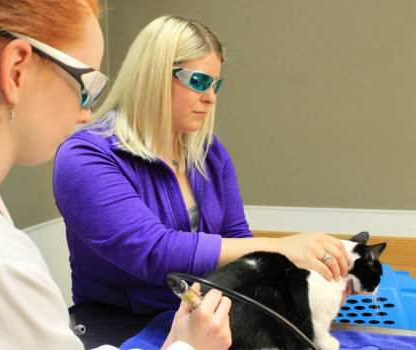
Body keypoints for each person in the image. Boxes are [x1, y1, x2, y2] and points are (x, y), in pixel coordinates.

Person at [0, 2, 231, 349]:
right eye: (86, 83)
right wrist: (187, 347)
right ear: (16, 71)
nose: (87, 112)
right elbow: (154, 251)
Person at [53, 15, 351, 315]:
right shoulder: (85, 157)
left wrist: (301, 287)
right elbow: (153, 252)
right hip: (124, 330)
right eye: (199, 81)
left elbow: (237, 243)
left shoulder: (209, 154)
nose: (210, 98)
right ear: (153, 75)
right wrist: (281, 248)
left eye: (215, 85)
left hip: (206, 319)